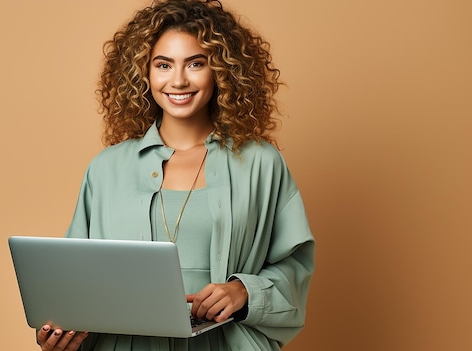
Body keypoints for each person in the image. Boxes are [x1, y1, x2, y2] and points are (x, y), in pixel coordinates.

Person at [36, 0, 315, 350]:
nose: (178, 80)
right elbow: (73, 279)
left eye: (196, 63)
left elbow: (295, 264)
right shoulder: (106, 168)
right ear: (144, 74)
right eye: (163, 65)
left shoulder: (261, 163)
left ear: (222, 71)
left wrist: (244, 290)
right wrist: (61, 332)